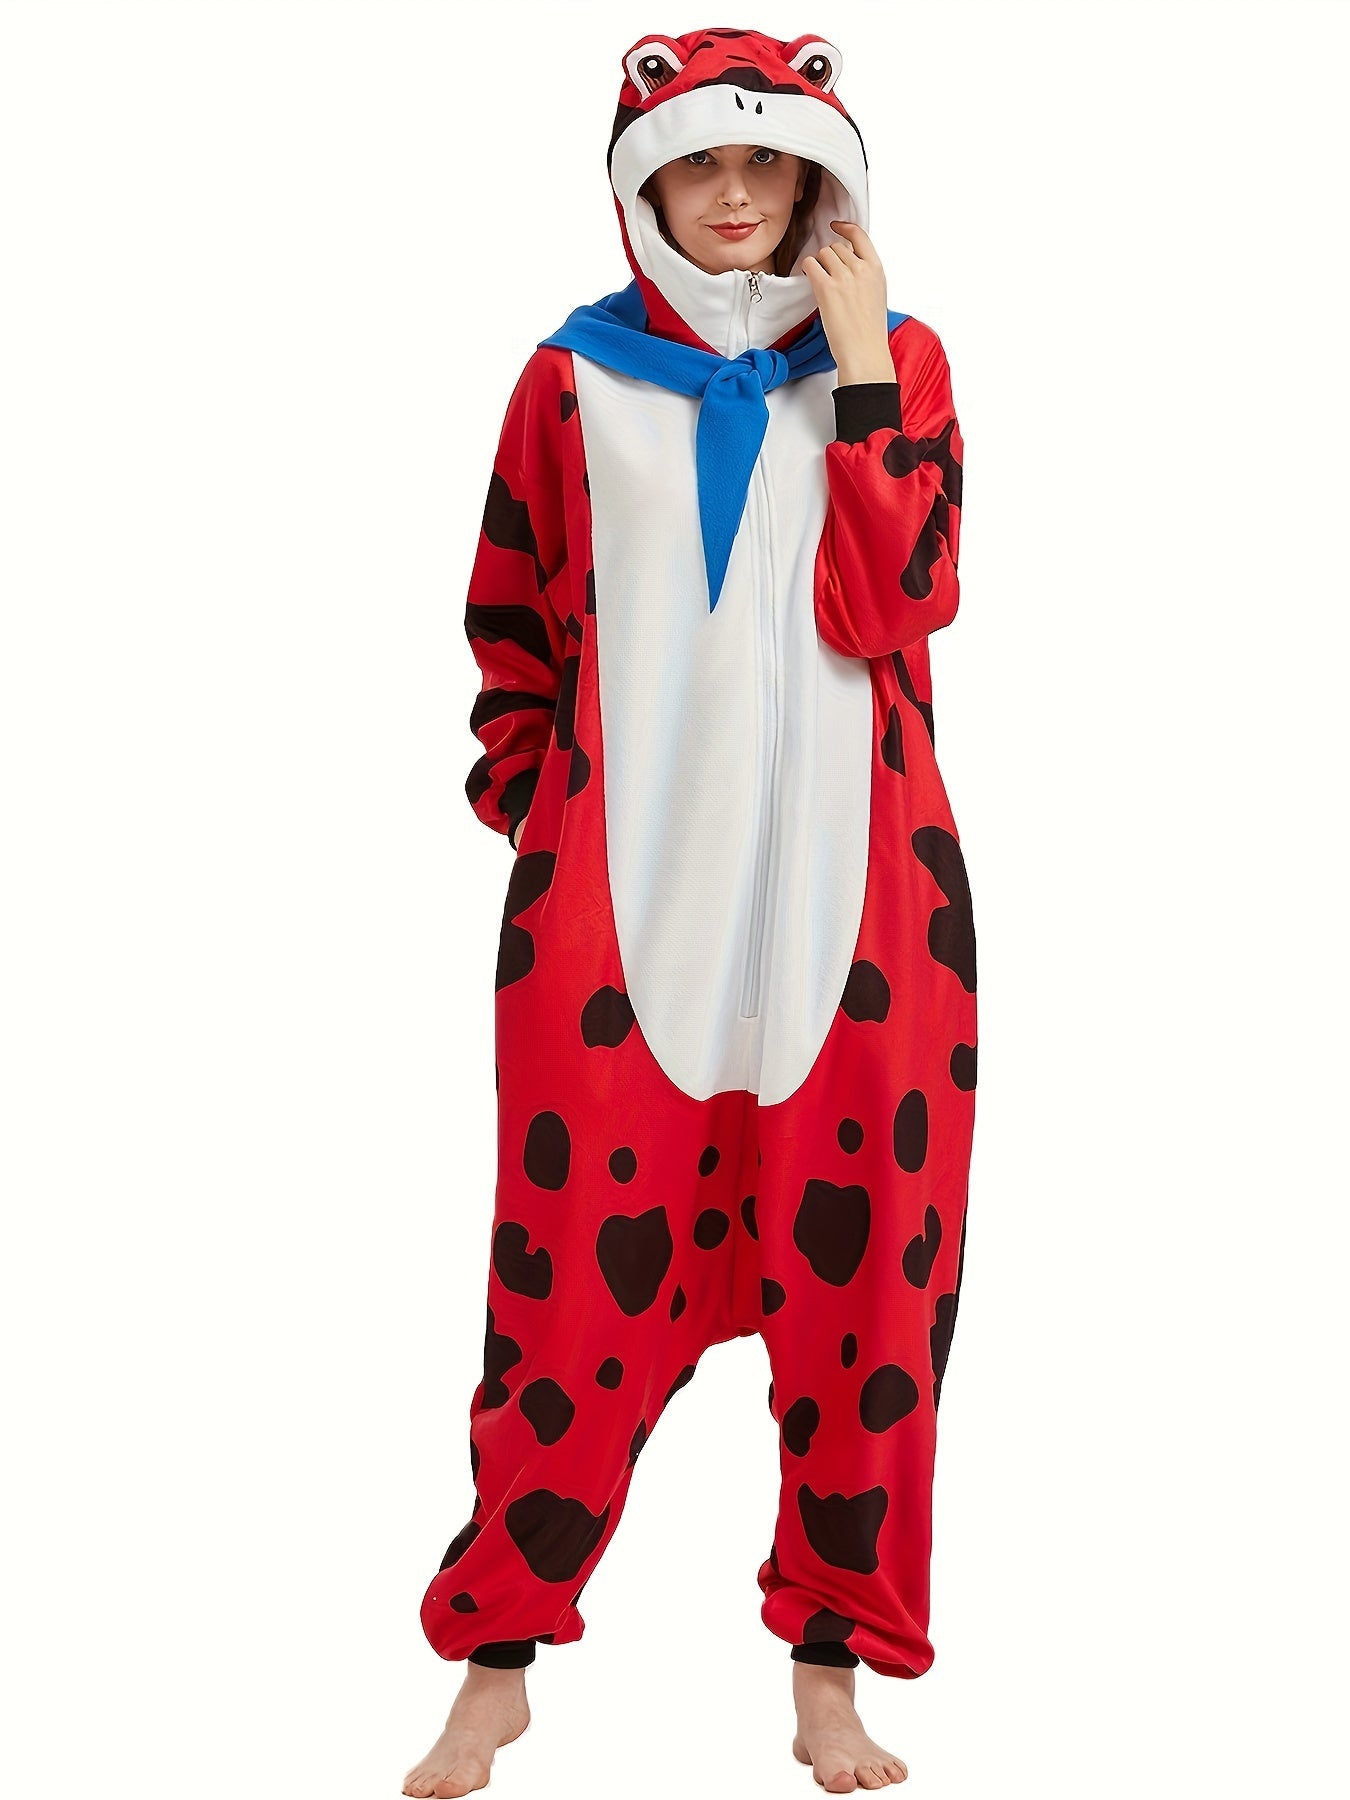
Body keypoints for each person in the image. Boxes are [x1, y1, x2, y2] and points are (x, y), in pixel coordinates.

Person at [404, 24, 975, 1798]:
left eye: (767, 162)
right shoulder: (567, 381)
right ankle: (496, 1660)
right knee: (564, 1299)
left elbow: (901, 597)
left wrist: (860, 374)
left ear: (819, 177)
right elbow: (509, 619)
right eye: (696, 164)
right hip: (618, 926)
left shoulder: (901, 360)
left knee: (871, 1299)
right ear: (641, 182)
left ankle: (830, 1675)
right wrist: (545, 818)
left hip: (861, 930)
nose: (732, 194)